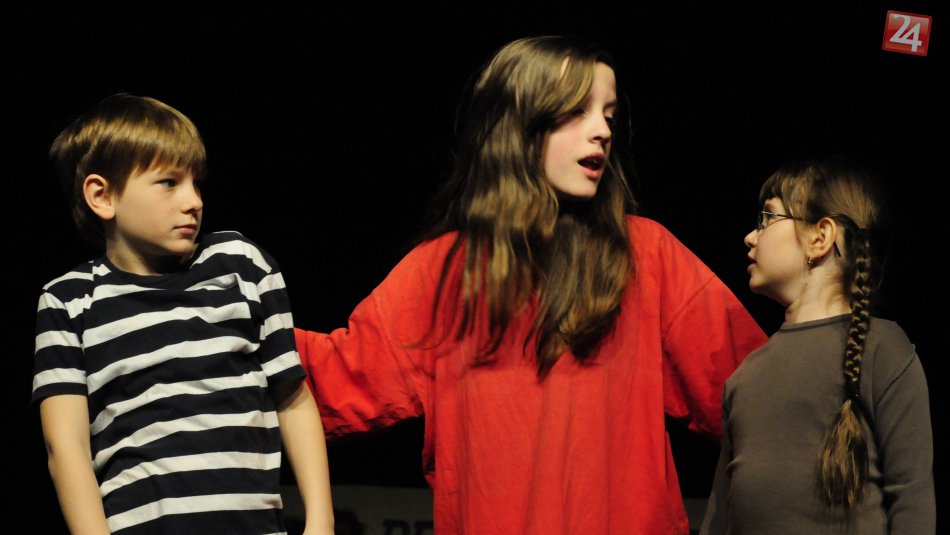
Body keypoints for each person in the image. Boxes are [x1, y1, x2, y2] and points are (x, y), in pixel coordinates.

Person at [294, 35, 767, 534]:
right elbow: (335, 379)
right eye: (577, 110)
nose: (602, 130)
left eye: (608, 114)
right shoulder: (446, 270)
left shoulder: (647, 257)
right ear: (518, 124)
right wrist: (242, 308)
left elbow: (761, 394)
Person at [32, 94, 334, 535]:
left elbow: (292, 397)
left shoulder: (241, 264)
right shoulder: (69, 300)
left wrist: (321, 522)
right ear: (103, 195)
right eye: (169, 182)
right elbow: (67, 447)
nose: (193, 200)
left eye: (197, 183)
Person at [700, 157, 935, 533]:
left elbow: (912, 498)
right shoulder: (747, 374)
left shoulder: (882, 350)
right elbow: (720, 515)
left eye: (767, 219)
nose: (750, 237)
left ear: (819, 237)